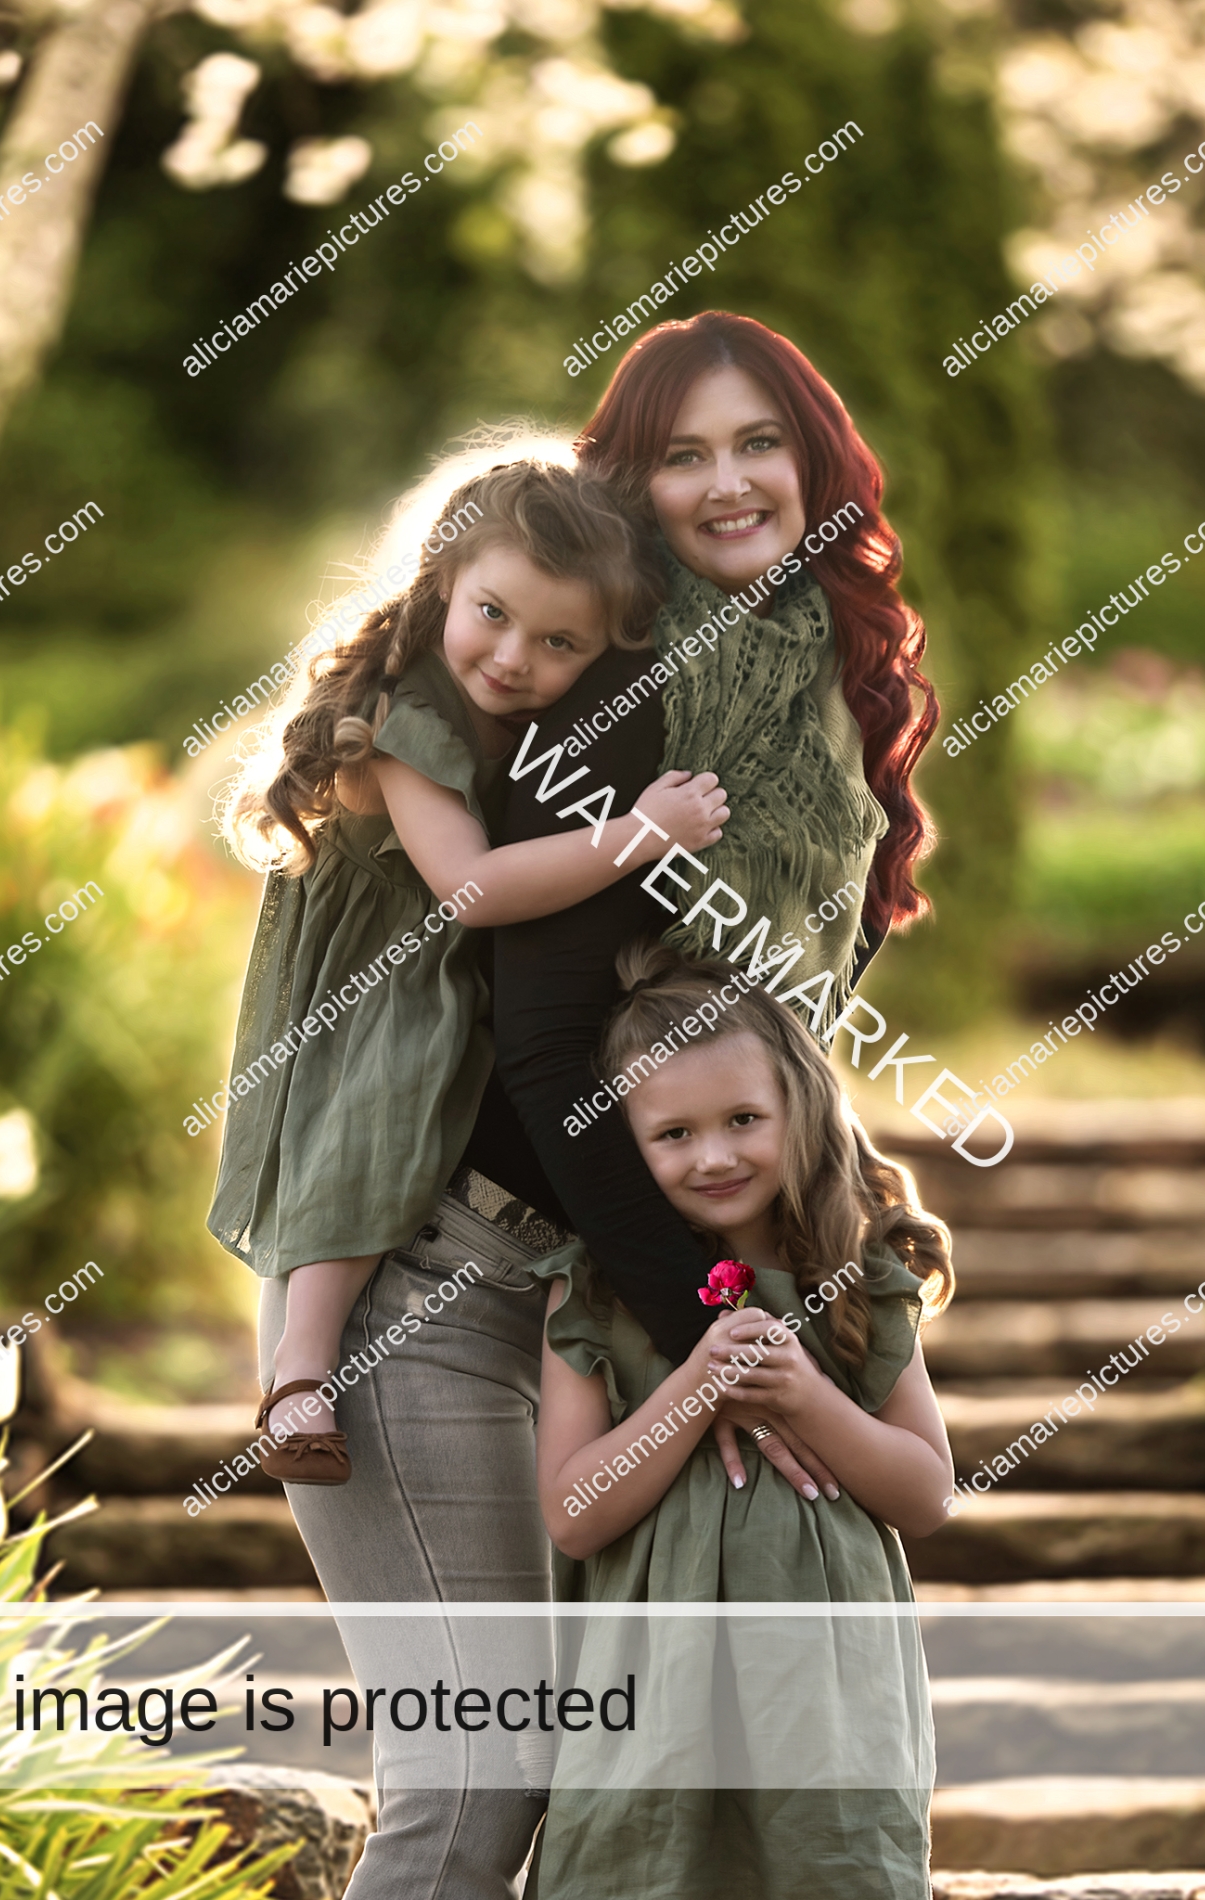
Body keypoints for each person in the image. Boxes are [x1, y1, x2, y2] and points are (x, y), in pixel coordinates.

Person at [208, 453, 730, 1481]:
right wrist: (641, 832)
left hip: (443, 982)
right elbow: (472, 888)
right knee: (374, 1138)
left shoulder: (514, 714)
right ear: (444, 577)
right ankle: (299, 1376)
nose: (512, 655)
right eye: (492, 613)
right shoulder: (410, 717)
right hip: (379, 988)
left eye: (558, 642)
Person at [492, 312, 942, 1488]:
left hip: (694, 1277)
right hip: (503, 1273)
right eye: (682, 456)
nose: (728, 484)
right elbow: (545, 1053)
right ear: (630, 487)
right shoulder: (613, 685)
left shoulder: (839, 690)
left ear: (817, 465)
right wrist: (714, 1344)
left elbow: (797, 1035)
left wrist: (757, 1309)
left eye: (759, 444)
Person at [525, 941, 955, 1898]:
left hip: (825, 1699)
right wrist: (692, 1390)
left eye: (743, 1120)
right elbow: (572, 1512)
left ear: (798, 1109)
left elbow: (926, 1495)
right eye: (671, 1133)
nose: (714, 1155)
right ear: (619, 1146)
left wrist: (803, 1393)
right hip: (653, 1693)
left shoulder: (859, 1275)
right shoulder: (592, 1291)